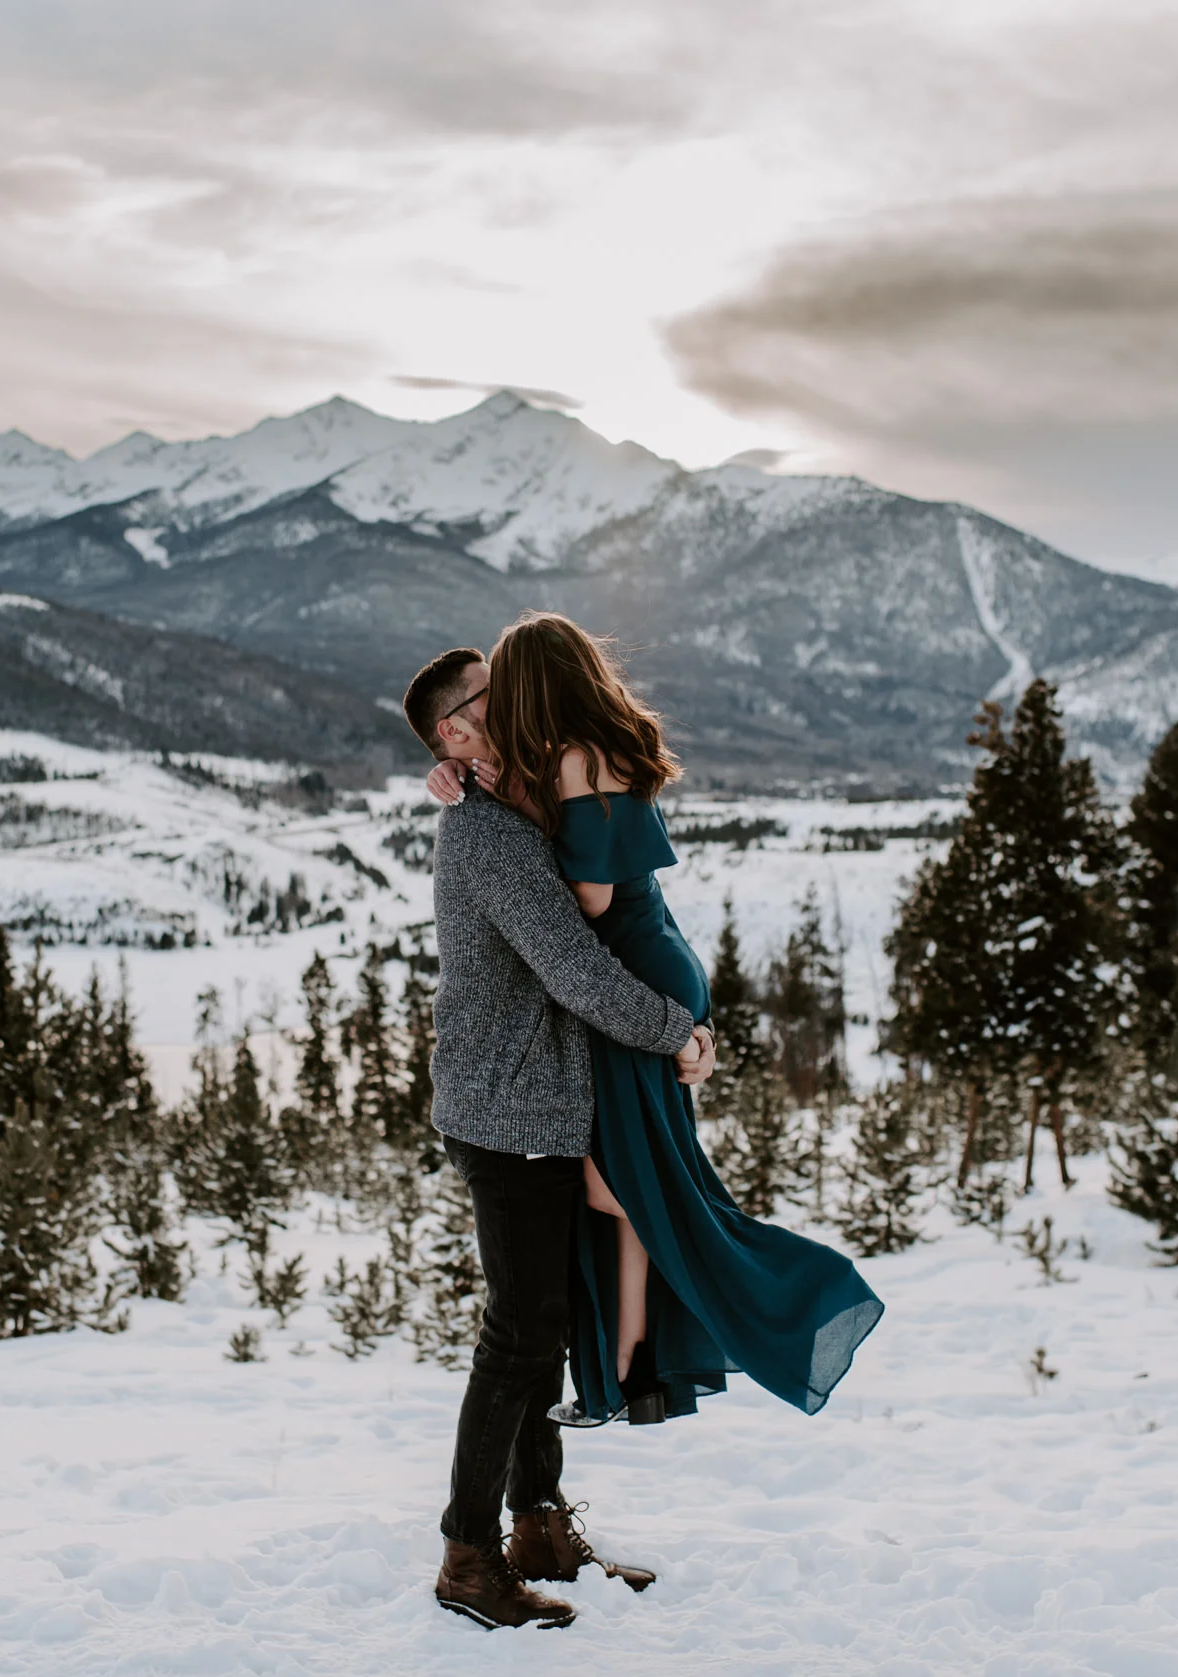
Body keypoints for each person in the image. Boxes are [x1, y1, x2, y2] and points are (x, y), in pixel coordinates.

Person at [425, 613, 883, 1433]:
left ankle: (786, 1298)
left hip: (634, 978)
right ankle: (632, 1362)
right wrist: (468, 781)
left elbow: (587, 911)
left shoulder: (567, 760)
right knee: (632, 1187)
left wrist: (526, 891)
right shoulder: (570, 753)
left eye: (504, 684)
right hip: (653, 967)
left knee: (646, 1188)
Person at [402, 644, 718, 1631]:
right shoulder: (486, 836)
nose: (517, 699)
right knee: (521, 1333)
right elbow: (573, 971)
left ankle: (536, 1525)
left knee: (541, 1329)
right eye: (492, 696)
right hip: (511, 1113)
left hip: (534, 1106)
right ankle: (468, 1555)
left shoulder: (509, 800)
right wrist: (679, 1034)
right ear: (454, 729)